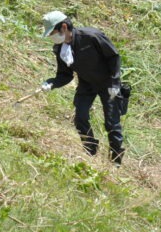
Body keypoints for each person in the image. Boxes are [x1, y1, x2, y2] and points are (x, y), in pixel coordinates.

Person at [39, 10, 125, 165]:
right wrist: (51, 83)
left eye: (52, 32)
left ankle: (116, 162)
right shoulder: (60, 50)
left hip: (108, 83)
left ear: (64, 27)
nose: (52, 37)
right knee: (80, 118)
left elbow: (114, 57)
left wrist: (114, 83)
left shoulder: (91, 36)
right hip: (87, 84)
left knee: (112, 123)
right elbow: (65, 75)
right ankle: (90, 151)